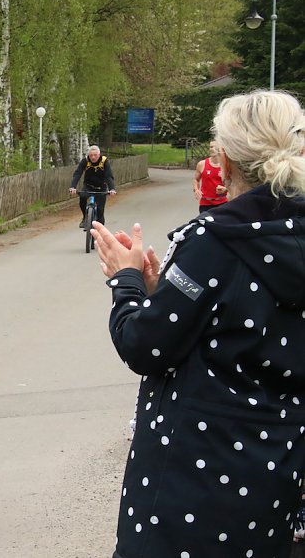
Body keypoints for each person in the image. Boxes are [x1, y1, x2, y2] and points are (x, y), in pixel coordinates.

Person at [90, 90, 305, 557]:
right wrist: (159, 293)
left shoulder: (216, 239)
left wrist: (125, 283)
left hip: (191, 476)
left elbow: (146, 346)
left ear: (223, 161)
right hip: (276, 475)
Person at [69, 145, 116, 226]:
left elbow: (109, 176)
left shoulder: (104, 161)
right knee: (82, 197)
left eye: (95, 155)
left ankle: (100, 233)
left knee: (100, 211)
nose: (93, 157)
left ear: (99, 155)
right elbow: (78, 173)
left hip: (101, 187)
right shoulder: (85, 161)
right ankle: (85, 217)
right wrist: (73, 187)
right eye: (91, 155)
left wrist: (112, 189)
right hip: (88, 185)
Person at [193, 140, 228, 212]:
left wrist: (225, 189)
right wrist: (196, 189)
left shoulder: (226, 165)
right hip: (205, 204)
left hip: (222, 202)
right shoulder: (201, 164)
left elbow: (234, 184)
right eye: (210, 147)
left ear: (221, 149)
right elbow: (196, 179)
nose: (212, 149)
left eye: (215, 147)